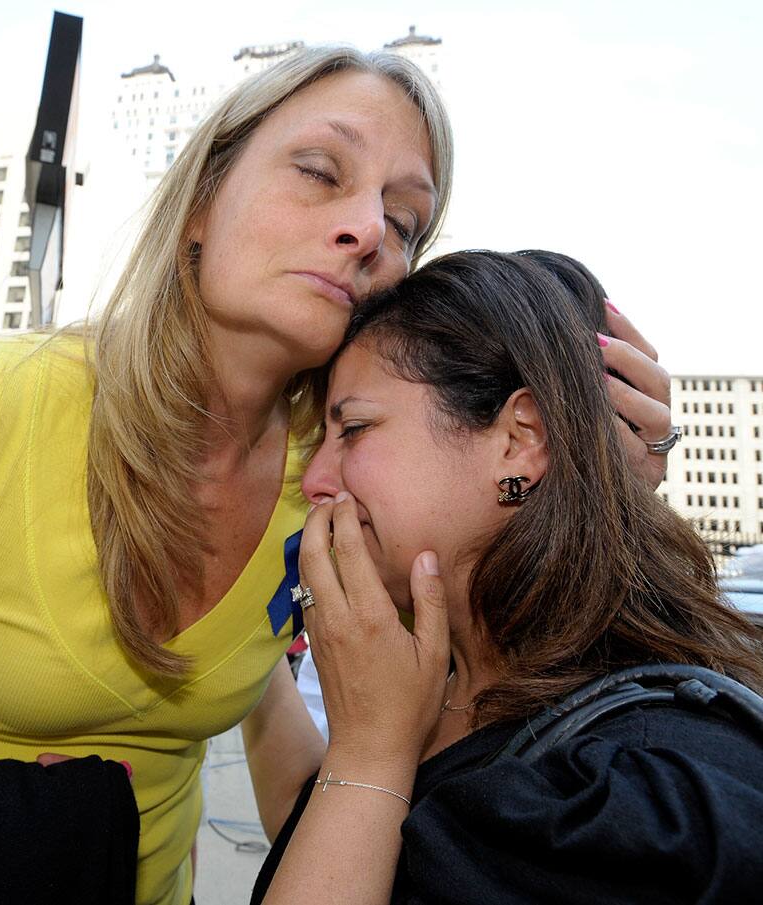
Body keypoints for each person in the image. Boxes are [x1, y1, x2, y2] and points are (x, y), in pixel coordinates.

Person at [0, 44, 672, 905]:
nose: (365, 230)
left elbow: (460, 700)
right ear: (202, 200)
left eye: (404, 221)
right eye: (320, 172)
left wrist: (595, 490)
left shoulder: (346, 469)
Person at [245, 250, 763, 905]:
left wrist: (372, 752)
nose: (315, 479)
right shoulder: (445, 681)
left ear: (519, 440)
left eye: (353, 427)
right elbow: (328, 832)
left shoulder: (624, 808)